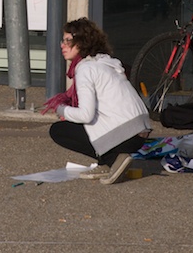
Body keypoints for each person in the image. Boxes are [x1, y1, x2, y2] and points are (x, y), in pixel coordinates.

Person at [43, 17, 151, 184]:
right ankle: (106, 162)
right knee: (78, 122)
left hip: (126, 133)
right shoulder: (105, 63)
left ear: (82, 43)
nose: (62, 45)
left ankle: (113, 159)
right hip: (140, 129)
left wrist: (60, 109)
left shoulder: (85, 69)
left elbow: (86, 115)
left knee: (59, 130)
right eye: (62, 40)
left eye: (68, 41)